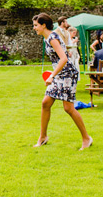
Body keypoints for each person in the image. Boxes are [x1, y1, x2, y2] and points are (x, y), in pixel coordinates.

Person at [32, 13, 92, 150]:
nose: (34, 28)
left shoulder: (52, 38)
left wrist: (52, 75)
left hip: (67, 74)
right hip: (59, 74)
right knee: (45, 103)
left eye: (36, 25)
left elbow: (63, 58)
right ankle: (43, 137)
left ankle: (87, 138)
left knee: (68, 108)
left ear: (43, 25)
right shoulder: (47, 38)